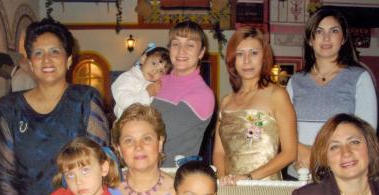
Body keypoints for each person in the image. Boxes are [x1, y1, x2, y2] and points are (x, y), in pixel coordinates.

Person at [0, 18, 109, 195]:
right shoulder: (9, 108)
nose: (47, 59)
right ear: (29, 63)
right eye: (38, 53)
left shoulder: (85, 100)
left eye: (55, 51)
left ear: (69, 60)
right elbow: (5, 172)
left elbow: (101, 160)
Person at [286, 7, 377, 178]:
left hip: (341, 174)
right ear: (310, 39)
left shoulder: (359, 78)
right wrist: (298, 150)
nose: (326, 37)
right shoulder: (295, 81)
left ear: (343, 38)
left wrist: (319, 156)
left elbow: (367, 134)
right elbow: (282, 129)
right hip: (299, 173)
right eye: (319, 31)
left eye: (334, 31)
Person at [213, 27, 297, 184]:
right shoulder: (226, 101)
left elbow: (290, 152)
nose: (246, 60)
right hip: (230, 188)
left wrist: (249, 178)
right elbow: (219, 152)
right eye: (240, 54)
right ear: (232, 60)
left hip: (265, 188)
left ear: (264, 57)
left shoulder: (277, 95)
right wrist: (222, 179)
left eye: (253, 53)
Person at [151, 20, 215, 167]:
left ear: (201, 52)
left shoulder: (202, 95)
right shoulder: (158, 81)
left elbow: (156, 132)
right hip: (142, 172)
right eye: (176, 44)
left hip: (173, 176)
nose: (181, 51)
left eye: (190, 45)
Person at [111, 43, 172, 118]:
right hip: (126, 125)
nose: (155, 71)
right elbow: (125, 103)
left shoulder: (155, 85)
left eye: (161, 71)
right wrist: (147, 93)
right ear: (143, 59)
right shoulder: (127, 77)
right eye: (154, 63)